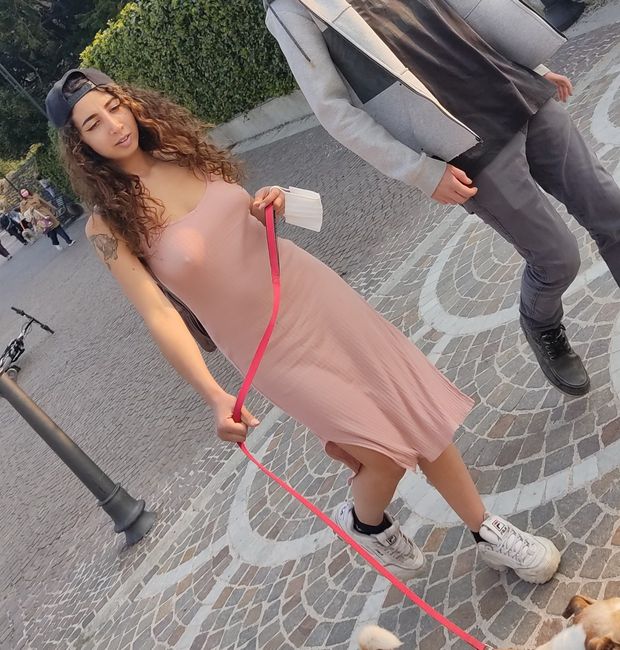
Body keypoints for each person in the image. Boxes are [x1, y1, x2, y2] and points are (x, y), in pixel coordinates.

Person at [45, 67, 561, 584]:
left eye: (114, 106)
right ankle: (366, 521)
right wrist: (214, 396)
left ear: (130, 101)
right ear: (80, 145)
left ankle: (486, 531)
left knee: (410, 404)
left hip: (311, 293)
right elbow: (158, 313)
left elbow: (242, 217)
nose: (114, 125)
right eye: (93, 124)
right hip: (267, 349)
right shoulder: (108, 225)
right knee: (380, 452)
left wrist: (273, 201)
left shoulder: (183, 152)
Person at [264, 0, 620, 397]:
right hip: (464, 143)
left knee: (610, 209)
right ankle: (541, 323)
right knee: (556, 258)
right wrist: (419, 171)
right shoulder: (291, 10)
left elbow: (458, 17)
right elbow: (333, 109)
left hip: (512, 88)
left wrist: (529, 66)